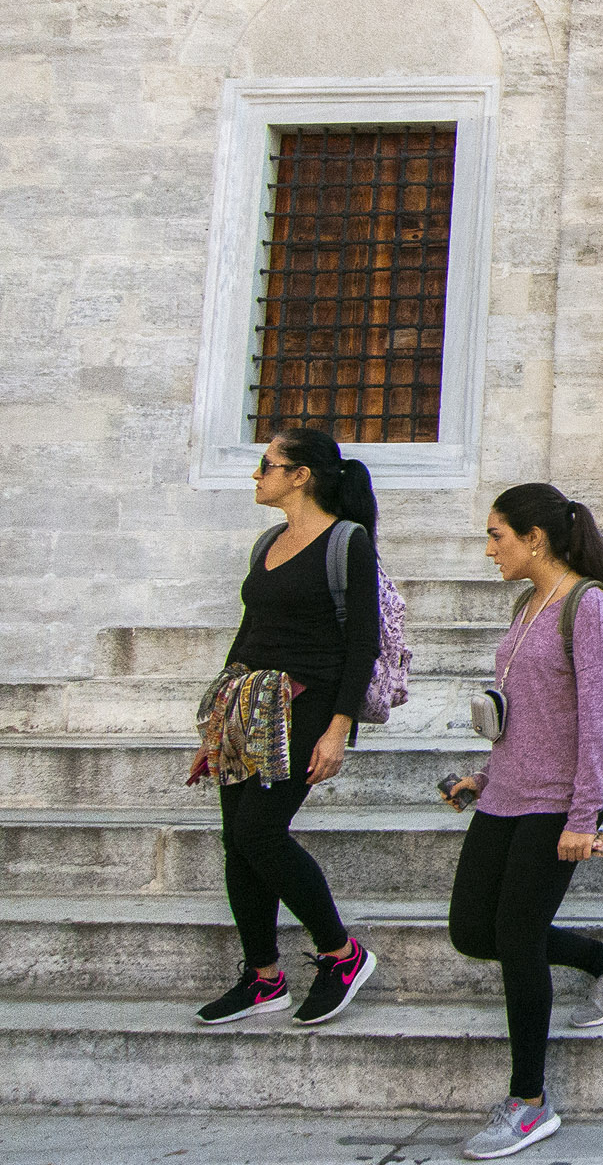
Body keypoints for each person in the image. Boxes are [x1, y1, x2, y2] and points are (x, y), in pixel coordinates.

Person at [442, 484, 603, 1161]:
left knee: (519, 936)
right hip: (508, 792)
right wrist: (484, 776)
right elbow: (523, 711)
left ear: (535, 538)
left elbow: (598, 719)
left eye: (497, 535)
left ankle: (529, 1103)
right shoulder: (526, 604)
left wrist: (583, 816)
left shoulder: (588, 606)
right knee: (473, 929)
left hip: (559, 801)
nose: (489, 549)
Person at [191, 427, 380, 1027]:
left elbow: (363, 642)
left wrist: (339, 727)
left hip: (307, 706)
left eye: (266, 464)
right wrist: (216, 722)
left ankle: (342, 954)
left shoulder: (347, 542)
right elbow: (250, 631)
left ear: (301, 476)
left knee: (260, 832)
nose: (256, 474)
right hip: (246, 706)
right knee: (237, 840)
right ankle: (263, 976)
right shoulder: (268, 542)